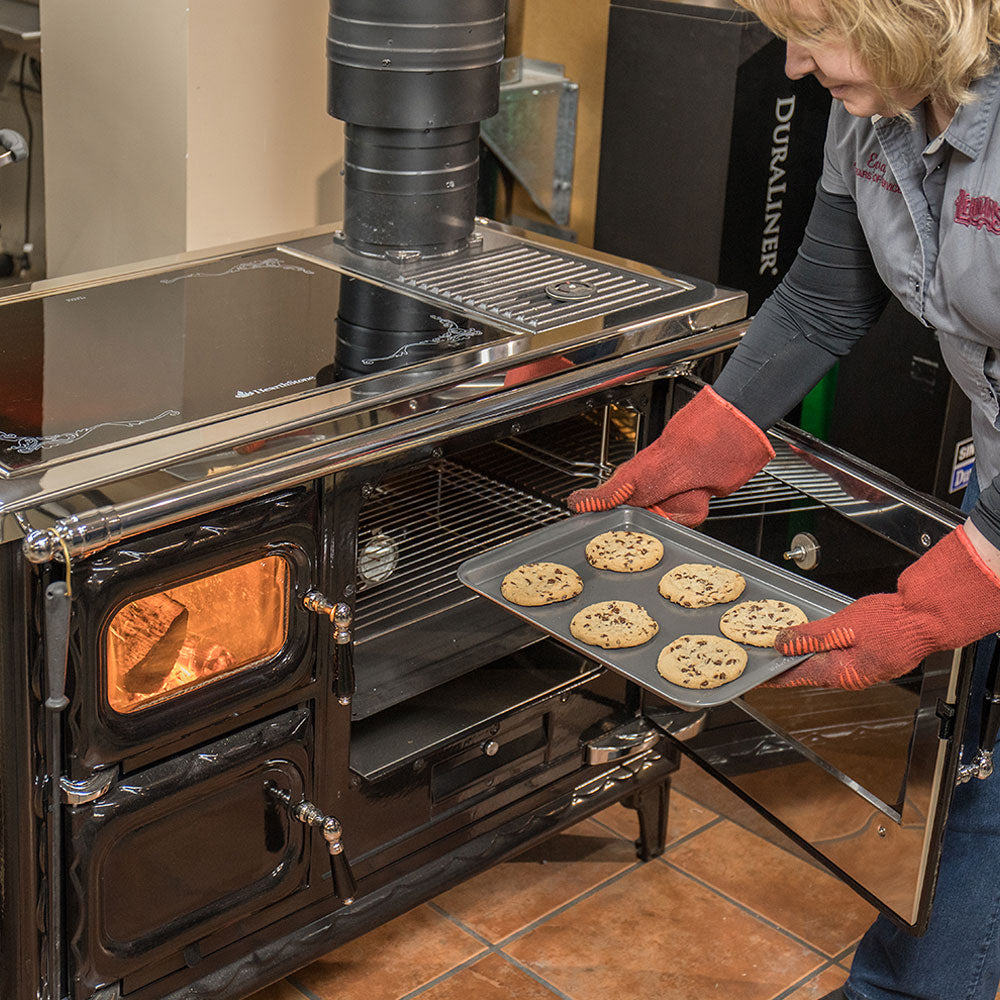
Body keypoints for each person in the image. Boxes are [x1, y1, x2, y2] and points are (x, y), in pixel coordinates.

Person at [567, 1, 1000, 998]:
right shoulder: (878, 113)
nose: (794, 64)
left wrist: (967, 577)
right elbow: (821, 297)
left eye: (813, 28)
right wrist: (707, 435)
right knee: (972, 778)